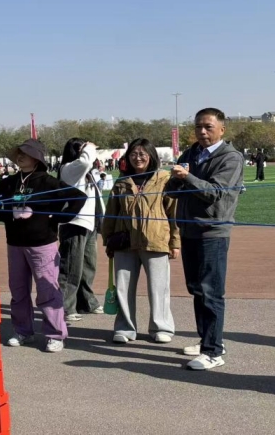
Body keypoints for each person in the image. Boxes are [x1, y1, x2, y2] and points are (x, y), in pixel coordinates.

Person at [0, 139, 87, 353]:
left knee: (47, 290)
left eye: (25, 153)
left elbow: (78, 197)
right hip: (15, 244)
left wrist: (58, 218)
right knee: (18, 291)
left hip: (43, 245)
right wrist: (5, 215)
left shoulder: (48, 182)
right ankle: (23, 331)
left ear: (37, 158)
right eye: (19, 153)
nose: (20, 156)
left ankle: (55, 334)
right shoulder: (10, 182)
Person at [167, 108, 244, 370]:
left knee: (211, 291)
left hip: (213, 231)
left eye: (208, 127)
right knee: (197, 289)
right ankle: (208, 341)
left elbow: (215, 193)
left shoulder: (230, 157)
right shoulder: (190, 154)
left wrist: (187, 177)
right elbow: (172, 191)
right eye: (198, 126)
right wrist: (176, 179)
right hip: (189, 228)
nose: (202, 131)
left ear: (222, 129)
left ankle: (213, 352)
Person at [101, 138, 180, 344]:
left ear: (151, 156)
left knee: (159, 287)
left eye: (142, 154)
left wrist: (175, 242)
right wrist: (108, 240)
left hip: (156, 240)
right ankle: (125, 328)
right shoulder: (121, 182)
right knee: (123, 287)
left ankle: (161, 327)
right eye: (134, 154)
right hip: (124, 242)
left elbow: (173, 213)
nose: (138, 158)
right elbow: (110, 214)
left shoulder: (164, 179)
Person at [57, 139, 104, 324]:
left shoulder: (85, 171)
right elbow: (84, 162)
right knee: (71, 267)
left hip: (89, 222)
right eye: (83, 148)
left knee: (87, 266)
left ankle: (86, 301)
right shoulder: (68, 168)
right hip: (74, 222)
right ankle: (65, 307)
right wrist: (89, 147)